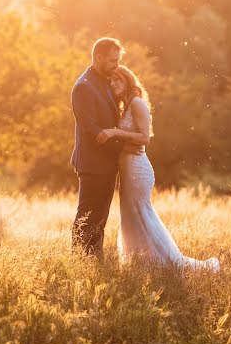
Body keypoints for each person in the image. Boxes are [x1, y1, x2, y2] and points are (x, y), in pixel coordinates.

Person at [99, 65, 220, 272]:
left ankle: (174, 264)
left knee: (143, 215)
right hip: (127, 169)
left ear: (128, 81)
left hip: (138, 169)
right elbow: (128, 142)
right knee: (130, 218)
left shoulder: (137, 103)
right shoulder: (124, 107)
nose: (113, 83)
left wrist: (114, 132)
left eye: (118, 79)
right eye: (111, 80)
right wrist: (119, 139)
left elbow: (145, 138)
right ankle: (143, 266)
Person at [70, 37, 140, 256]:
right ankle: (79, 259)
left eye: (117, 61)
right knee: (87, 215)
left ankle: (94, 259)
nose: (116, 66)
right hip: (92, 163)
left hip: (107, 164)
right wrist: (124, 148)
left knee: (100, 217)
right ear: (98, 57)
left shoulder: (105, 81)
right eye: (112, 61)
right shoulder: (84, 86)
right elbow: (91, 130)